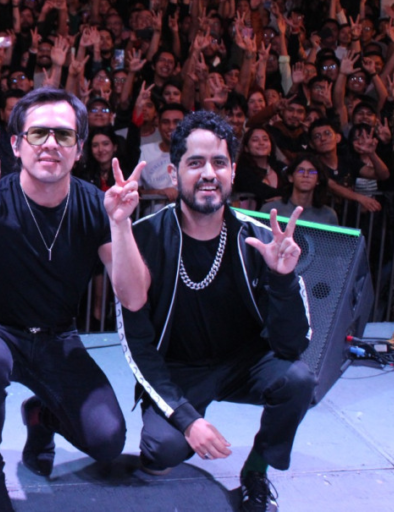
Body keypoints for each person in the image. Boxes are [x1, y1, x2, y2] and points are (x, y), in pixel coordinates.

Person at [0, 87, 150, 512]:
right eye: (38, 133)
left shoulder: (96, 204)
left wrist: (121, 226)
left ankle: (41, 417)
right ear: (17, 145)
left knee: (108, 441)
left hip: (57, 336)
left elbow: (133, 297)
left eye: (63, 135)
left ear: (79, 149)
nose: (51, 143)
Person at [121, 110, 316, 512]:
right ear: (174, 173)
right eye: (195, 163)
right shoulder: (143, 239)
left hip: (244, 363)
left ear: (232, 172)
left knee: (298, 380)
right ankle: (177, 428)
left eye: (219, 162)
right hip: (178, 370)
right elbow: (137, 345)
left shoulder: (258, 239)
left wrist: (282, 280)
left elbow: (292, 346)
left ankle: (256, 470)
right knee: (161, 452)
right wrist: (187, 419)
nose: (209, 173)